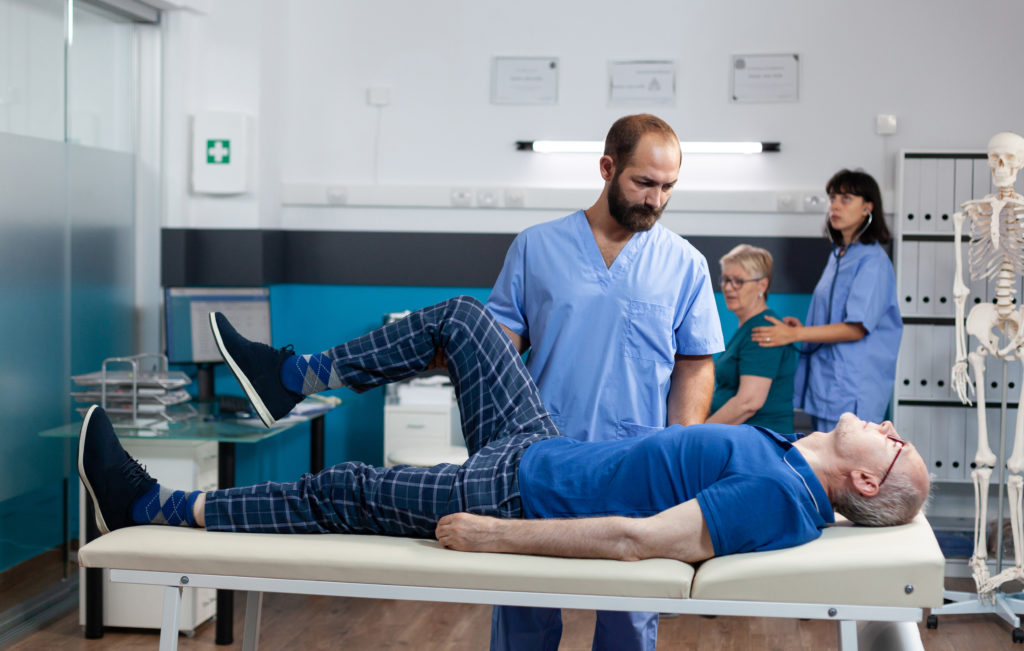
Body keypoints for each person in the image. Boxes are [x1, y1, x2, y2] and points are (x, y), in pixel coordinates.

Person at [79, 298, 928, 571]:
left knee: (341, 489)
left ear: (863, 482)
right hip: (538, 443)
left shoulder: (782, 497)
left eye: (894, 442)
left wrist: (496, 535)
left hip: (515, 492)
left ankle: (152, 503)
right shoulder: (785, 455)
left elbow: (640, 540)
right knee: (459, 320)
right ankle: (291, 375)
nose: (887, 424)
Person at [486, 114, 723, 650]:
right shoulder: (535, 248)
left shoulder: (685, 264)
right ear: (607, 168)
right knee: (524, 607)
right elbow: (498, 355)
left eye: (668, 188)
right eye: (643, 183)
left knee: (629, 622)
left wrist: (680, 446)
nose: (655, 200)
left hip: (637, 466)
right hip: (543, 459)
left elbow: (695, 363)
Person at [752, 169, 902, 432]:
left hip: (853, 387)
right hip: (827, 384)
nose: (834, 206)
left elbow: (856, 328)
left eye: (846, 199)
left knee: (849, 465)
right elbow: (833, 318)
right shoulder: (839, 255)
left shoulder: (873, 262)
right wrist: (801, 329)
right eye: (832, 198)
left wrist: (794, 334)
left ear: (868, 207)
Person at [707, 245, 797, 431]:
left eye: (738, 281)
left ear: (762, 285)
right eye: (725, 280)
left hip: (762, 441)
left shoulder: (764, 331)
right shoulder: (748, 327)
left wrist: (696, 434)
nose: (728, 288)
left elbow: (749, 402)